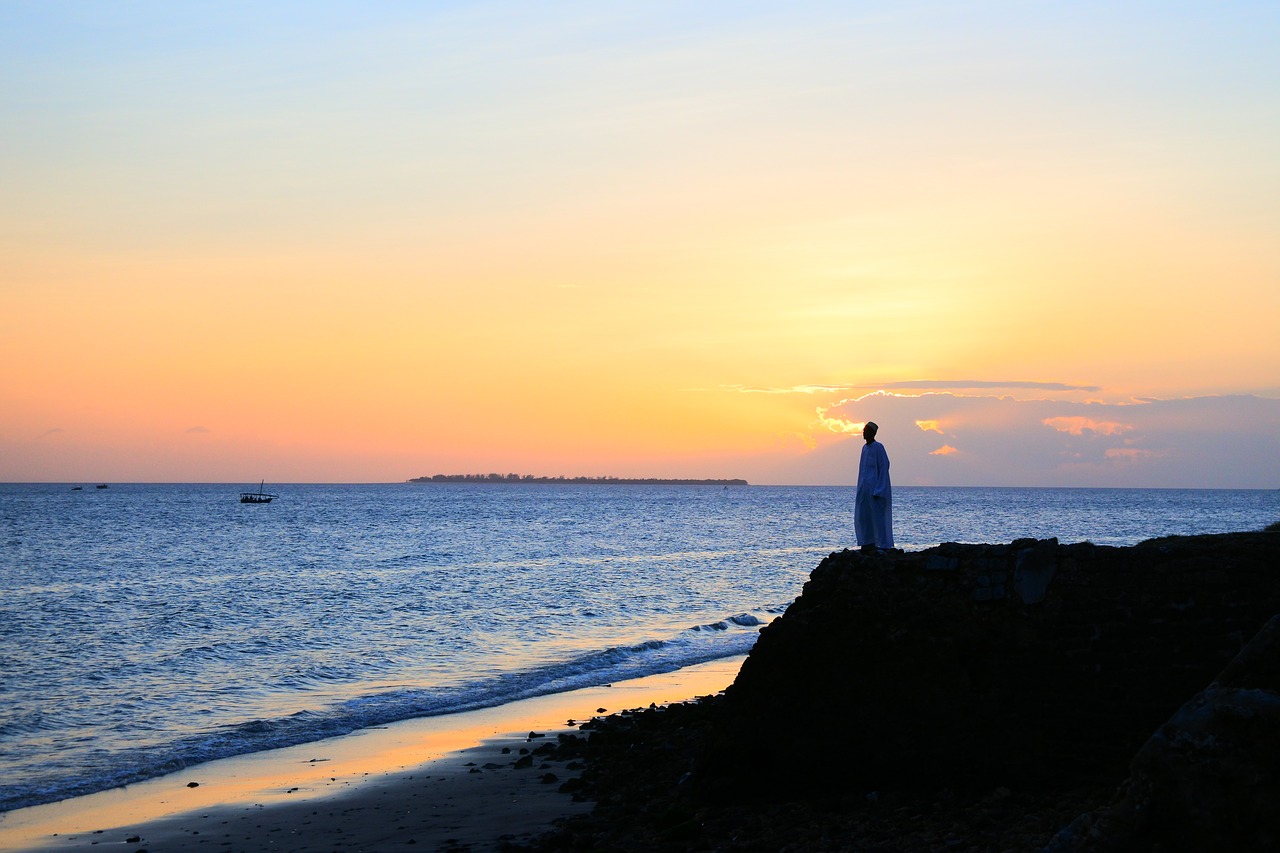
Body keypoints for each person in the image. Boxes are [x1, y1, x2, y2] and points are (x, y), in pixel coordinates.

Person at [854, 421, 893, 552]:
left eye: (866, 430)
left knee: (878, 518)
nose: (863, 432)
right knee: (864, 517)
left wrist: (880, 489)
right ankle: (867, 542)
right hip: (864, 491)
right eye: (863, 430)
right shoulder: (864, 448)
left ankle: (883, 545)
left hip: (875, 491)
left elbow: (884, 467)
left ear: (873, 433)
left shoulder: (879, 447)